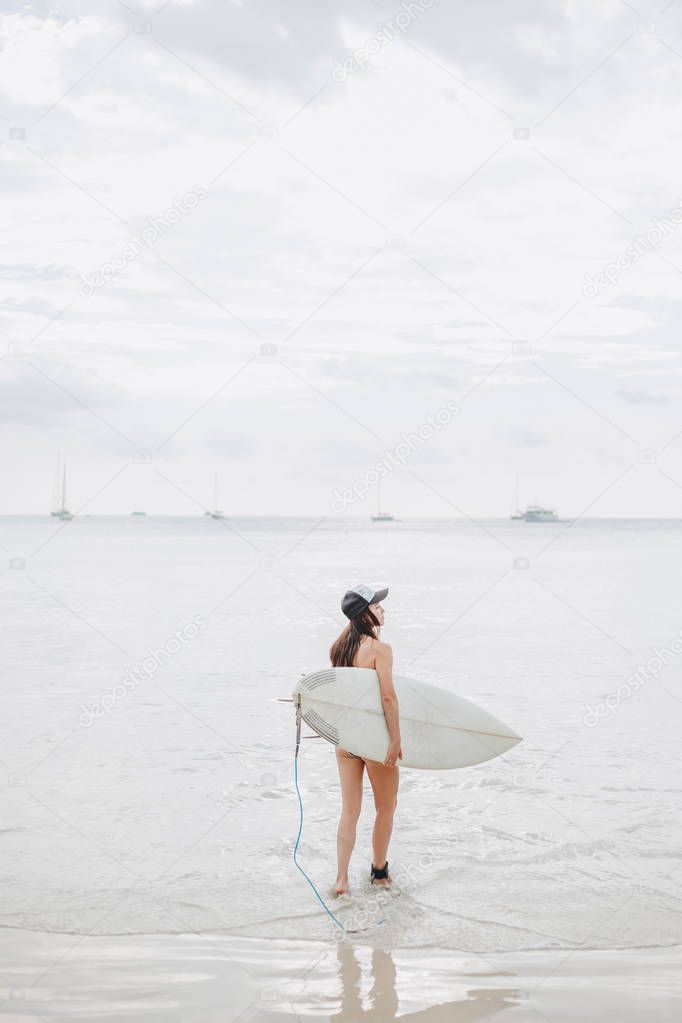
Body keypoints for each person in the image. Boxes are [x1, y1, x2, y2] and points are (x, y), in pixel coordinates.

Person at [329, 584, 402, 895]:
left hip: (346, 739)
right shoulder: (379, 650)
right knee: (386, 807)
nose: (382, 609)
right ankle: (379, 872)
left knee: (349, 810)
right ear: (365, 614)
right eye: (377, 606)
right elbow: (387, 697)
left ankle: (341, 880)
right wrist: (395, 740)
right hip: (373, 740)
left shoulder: (338, 649)